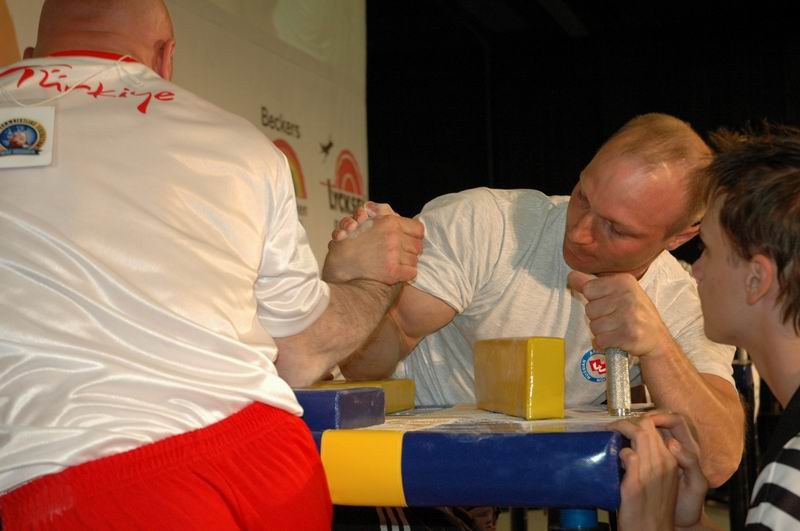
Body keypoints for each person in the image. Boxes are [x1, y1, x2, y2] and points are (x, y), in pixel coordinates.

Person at [0, 1, 423, 529]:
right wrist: (374, 280)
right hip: (266, 465)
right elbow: (300, 353)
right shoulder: (242, 145)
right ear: (165, 56)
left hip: (90, 484)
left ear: (30, 57)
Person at [336, 113, 744, 486]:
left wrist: (657, 347)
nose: (579, 233)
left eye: (616, 229)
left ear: (678, 237)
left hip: (506, 478)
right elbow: (361, 366)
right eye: (583, 195)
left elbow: (716, 462)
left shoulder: (679, 301)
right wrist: (354, 283)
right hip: (395, 459)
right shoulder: (488, 224)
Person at [615, 124, 800, 530]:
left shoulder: (793, 474)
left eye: (709, 251)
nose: (695, 271)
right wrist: (690, 524)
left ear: (756, 279)